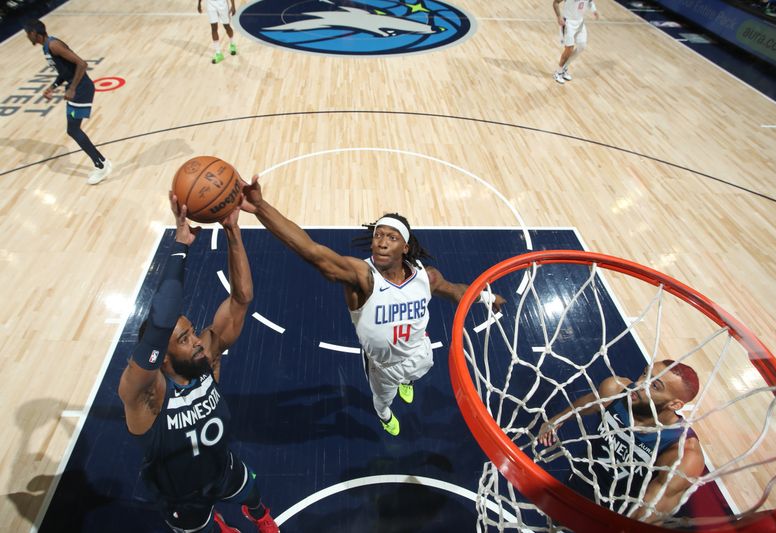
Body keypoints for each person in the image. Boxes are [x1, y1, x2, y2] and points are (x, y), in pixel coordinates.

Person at [239, 176, 506, 437]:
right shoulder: (362, 276)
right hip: (383, 366)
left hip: (418, 354)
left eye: (391, 237)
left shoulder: (427, 276)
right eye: (378, 235)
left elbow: (456, 291)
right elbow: (312, 251)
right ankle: (385, 417)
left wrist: (486, 298)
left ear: (405, 246)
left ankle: (408, 381)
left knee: (414, 373)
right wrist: (261, 207)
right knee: (382, 402)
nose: (381, 242)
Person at [118, 192, 279, 533]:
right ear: (159, 354)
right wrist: (180, 244)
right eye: (184, 339)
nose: (196, 342)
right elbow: (161, 320)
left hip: (222, 468)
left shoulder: (205, 356)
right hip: (181, 495)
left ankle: (256, 514)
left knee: (253, 493)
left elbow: (240, 299)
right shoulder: (146, 394)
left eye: (191, 333)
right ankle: (219, 523)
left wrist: (233, 231)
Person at [536, 360, 704, 524]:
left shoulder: (682, 452)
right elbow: (591, 403)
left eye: (654, 386)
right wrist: (558, 419)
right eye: (645, 373)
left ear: (675, 404)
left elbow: (648, 513)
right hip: (578, 480)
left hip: (613, 514)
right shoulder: (616, 389)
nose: (639, 384)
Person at [23, 19, 112, 185]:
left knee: (73, 129)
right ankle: (101, 163)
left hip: (81, 89)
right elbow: (65, 71)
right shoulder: (47, 46)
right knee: (73, 129)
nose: (27, 37)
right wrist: (53, 86)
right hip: (77, 88)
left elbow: (82, 64)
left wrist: (72, 89)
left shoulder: (53, 45)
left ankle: (102, 165)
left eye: (28, 34)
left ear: (34, 33)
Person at [551, 0, 600, 84]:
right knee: (569, 49)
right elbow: (555, 3)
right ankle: (558, 72)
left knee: (582, 46)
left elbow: (590, 2)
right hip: (568, 23)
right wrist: (559, 17)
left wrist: (594, 10)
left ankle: (564, 68)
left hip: (580, 22)